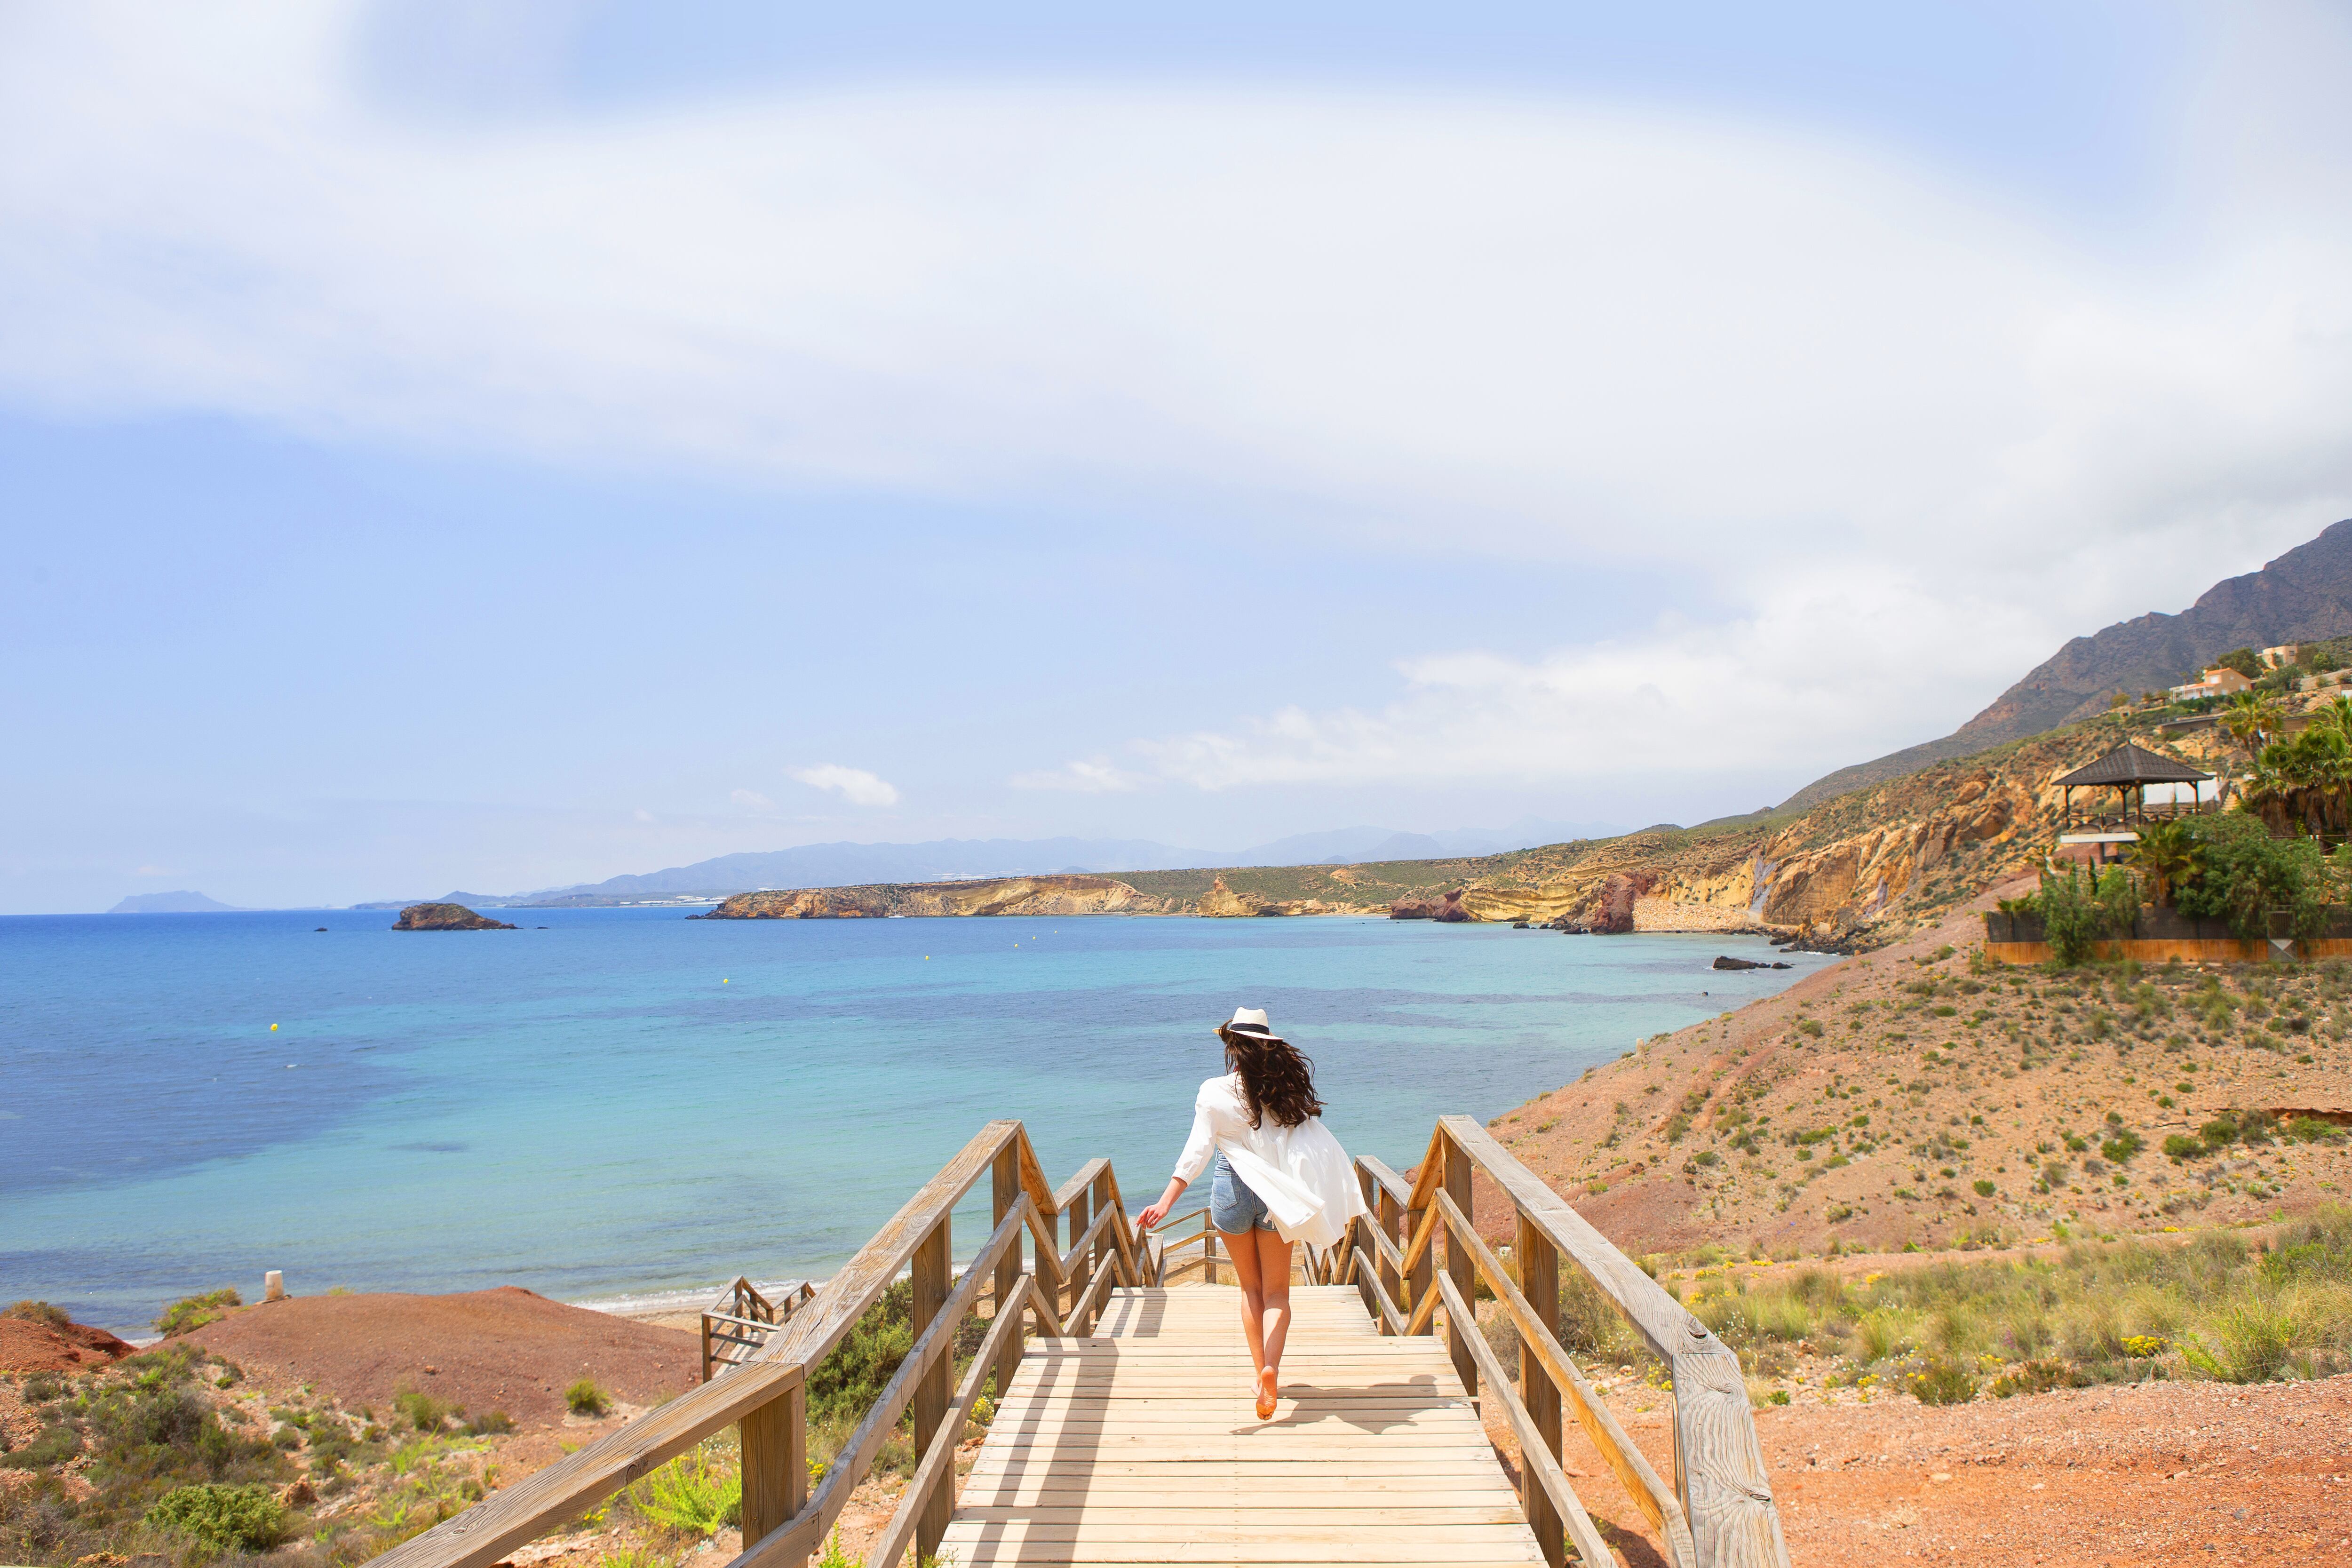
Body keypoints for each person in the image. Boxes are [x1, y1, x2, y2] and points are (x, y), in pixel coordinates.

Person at [1136, 1007, 1369, 1420]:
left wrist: (1166, 1201)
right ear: (1267, 1046)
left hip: (1231, 1192)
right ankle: (1272, 1370)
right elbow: (1304, 1146)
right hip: (1276, 1195)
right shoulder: (1282, 1093)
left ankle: (1258, 1373)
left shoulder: (1212, 1092)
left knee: (1251, 1289)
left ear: (1231, 1046)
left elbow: (1198, 1150)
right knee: (1278, 1291)